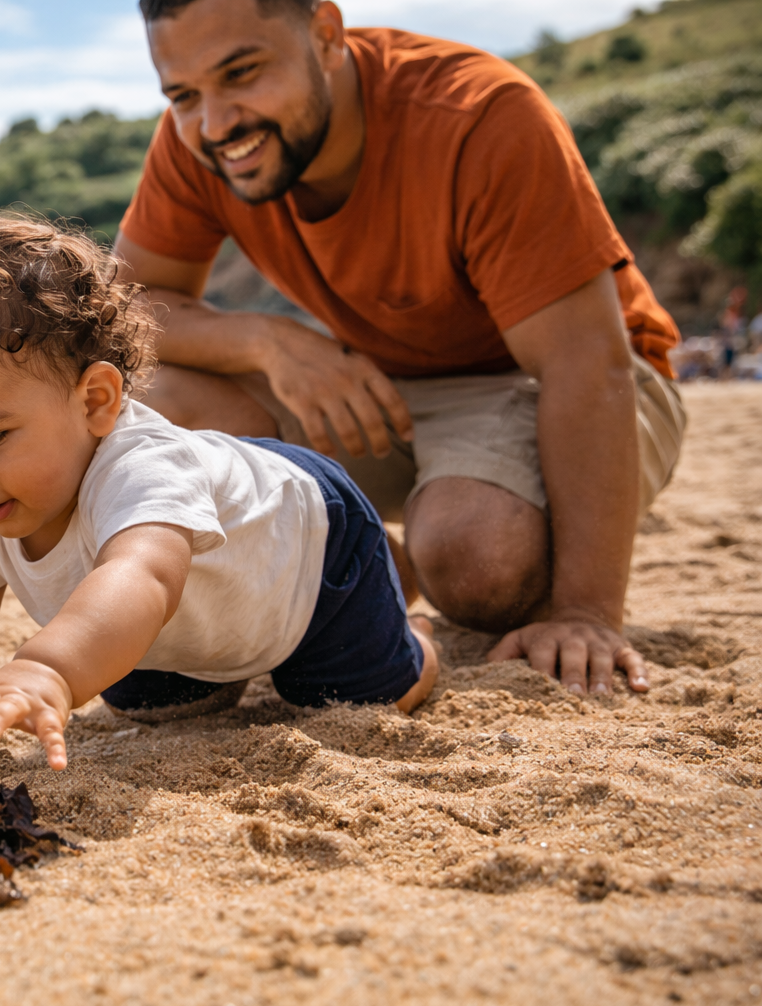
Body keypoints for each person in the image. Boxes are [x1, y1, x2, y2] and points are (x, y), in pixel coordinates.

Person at [113, 0, 687, 697]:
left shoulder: (480, 114)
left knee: (477, 561)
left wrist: (586, 611)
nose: (216, 121)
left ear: (325, 34)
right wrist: (269, 341)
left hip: (577, 379)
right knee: (153, 396)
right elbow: (130, 307)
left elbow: (585, 364)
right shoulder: (203, 139)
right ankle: (360, 563)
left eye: (242, 73)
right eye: (183, 94)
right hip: (392, 379)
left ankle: (447, 545)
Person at [0, 214, 437, 795]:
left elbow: (141, 574)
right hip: (188, 623)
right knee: (152, 704)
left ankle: (412, 627)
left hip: (310, 552)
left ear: (96, 400)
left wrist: (45, 667)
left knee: (366, 697)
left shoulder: (143, 466)